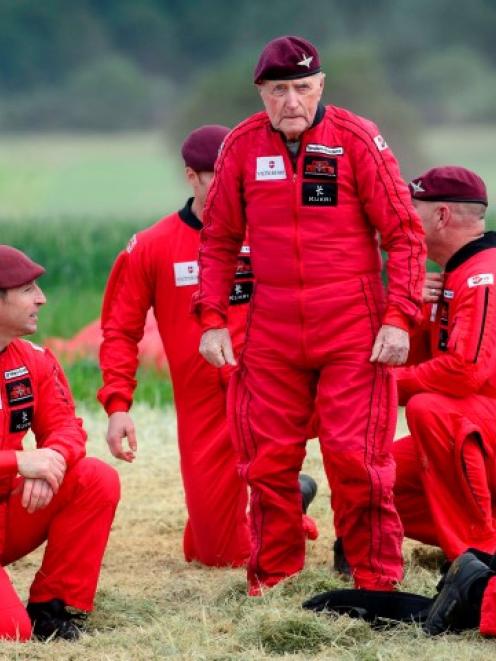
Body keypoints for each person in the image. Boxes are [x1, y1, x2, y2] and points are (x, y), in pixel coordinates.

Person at [193, 35, 426, 595]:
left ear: (321, 86)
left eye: (302, 87)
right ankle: (273, 582)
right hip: (271, 323)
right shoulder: (241, 147)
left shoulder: (356, 138)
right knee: (266, 462)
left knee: (356, 458)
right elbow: (219, 239)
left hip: (354, 321)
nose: (291, 101)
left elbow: (404, 234)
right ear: (261, 94)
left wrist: (400, 316)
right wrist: (212, 319)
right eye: (278, 90)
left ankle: (375, 584)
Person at [98, 125, 318, 569]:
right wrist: (118, 405)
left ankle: (277, 504)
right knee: (218, 557)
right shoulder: (151, 247)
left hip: (274, 391)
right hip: (202, 404)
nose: (234, 186)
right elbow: (120, 330)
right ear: (191, 178)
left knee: (257, 543)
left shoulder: (279, 230)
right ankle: (285, 505)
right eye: (219, 176)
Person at [0, 245, 120, 642]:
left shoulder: (32, 359)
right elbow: (20, 461)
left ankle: (51, 608)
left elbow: (68, 429)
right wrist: (19, 462)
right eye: (28, 289)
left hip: (10, 513)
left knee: (94, 477)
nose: (42, 298)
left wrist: (51, 457)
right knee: (11, 634)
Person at [392, 166, 496, 563]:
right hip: (481, 432)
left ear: (441, 216)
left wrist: (384, 384)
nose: (403, 217)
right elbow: (422, 362)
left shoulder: (482, 276)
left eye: (411, 208)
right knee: (377, 482)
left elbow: (463, 371)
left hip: (480, 428)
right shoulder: (452, 275)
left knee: (432, 410)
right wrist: (411, 308)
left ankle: (477, 556)